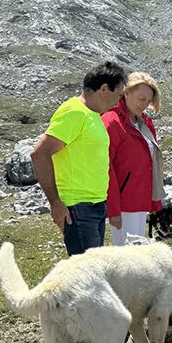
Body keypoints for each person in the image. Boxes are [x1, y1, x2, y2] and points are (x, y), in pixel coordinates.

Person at [30, 61, 127, 256]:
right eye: (118, 95)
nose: (118, 103)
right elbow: (39, 154)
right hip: (78, 208)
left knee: (91, 276)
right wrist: (56, 203)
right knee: (88, 280)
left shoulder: (93, 115)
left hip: (95, 206)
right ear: (104, 89)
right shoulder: (74, 112)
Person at [102, 72, 166, 246]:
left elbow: (149, 164)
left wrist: (153, 200)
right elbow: (106, 168)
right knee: (126, 254)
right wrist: (113, 208)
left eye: (148, 101)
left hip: (140, 199)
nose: (144, 105)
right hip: (124, 203)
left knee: (136, 251)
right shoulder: (112, 122)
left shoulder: (144, 122)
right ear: (126, 92)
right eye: (141, 99)